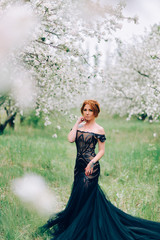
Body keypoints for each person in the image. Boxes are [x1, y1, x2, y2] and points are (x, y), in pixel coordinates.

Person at [40, 100, 160, 240]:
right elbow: (70, 139)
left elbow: (101, 151)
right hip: (78, 167)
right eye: (85, 109)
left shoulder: (99, 129)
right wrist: (77, 123)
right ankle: (77, 224)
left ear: (95, 112)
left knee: (87, 195)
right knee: (78, 194)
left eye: (90, 110)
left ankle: (86, 227)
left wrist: (92, 163)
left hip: (91, 168)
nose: (87, 112)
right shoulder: (79, 127)